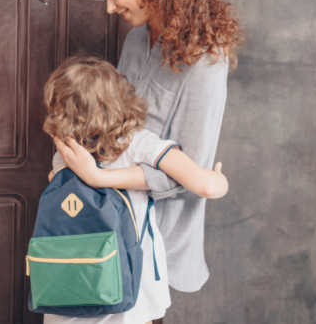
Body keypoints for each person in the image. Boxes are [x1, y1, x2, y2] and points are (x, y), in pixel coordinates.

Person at [75, 0, 244, 320]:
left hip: (155, 247)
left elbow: (186, 175)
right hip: (109, 227)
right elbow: (112, 124)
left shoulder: (207, 58)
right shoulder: (135, 41)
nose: (110, 8)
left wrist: (99, 177)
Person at [43, 57, 228, 324]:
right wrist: (220, 179)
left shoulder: (66, 155)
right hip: (128, 291)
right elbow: (205, 185)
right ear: (119, 101)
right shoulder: (139, 144)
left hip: (70, 286)